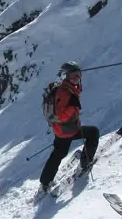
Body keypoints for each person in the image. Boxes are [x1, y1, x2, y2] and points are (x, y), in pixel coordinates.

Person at [38, 61, 101, 192]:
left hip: (61, 130)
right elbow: (60, 115)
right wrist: (73, 108)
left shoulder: (65, 88)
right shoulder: (64, 92)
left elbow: (75, 91)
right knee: (93, 133)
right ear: (65, 77)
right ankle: (85, 163)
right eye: (73, 77)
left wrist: (76, 90)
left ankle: (45, 181)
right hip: (67, 130)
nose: (76, 80)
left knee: (58, 153)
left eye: (78, 76)